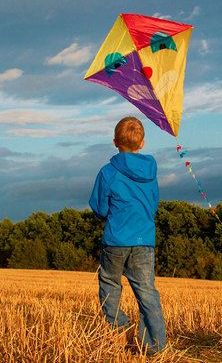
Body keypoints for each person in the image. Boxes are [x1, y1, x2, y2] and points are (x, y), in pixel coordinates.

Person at [89, 116, 166, 354]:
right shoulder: (151, 173)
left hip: (115, 240)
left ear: (115, 142)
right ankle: (156, 347)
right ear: (142, 143)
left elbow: (99, 207)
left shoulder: (108, 172)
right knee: (147, 292)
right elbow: (154, 205)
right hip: (144, 241)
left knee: (110, 284)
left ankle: (120, 329)